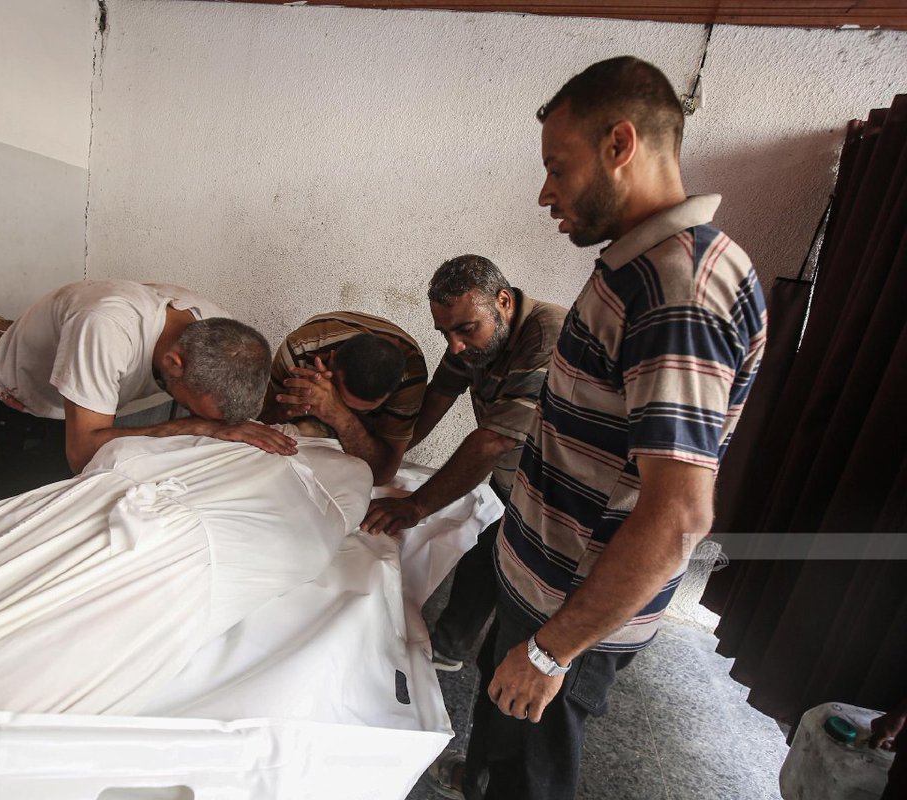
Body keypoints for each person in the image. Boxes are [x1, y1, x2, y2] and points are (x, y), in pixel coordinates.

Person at [428, 57, 768, 800]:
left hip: (572, 607)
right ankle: (481, 775)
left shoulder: (679, 293)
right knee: (501, 718)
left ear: (621, 144)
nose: (545, 191)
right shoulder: (638, 264)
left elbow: (678, 513)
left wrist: (553, 654)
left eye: (558, 165)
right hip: (539, 574)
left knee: (538, 761)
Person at [359, 256, 565, 674]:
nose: (454, 345)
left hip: (561, 499)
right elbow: (438, 395)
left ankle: (521, 667)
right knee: (487, 554)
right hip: (519, 483)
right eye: (445, 332)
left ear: (503, 301)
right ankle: (450, 648)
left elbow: (492, 441)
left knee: (528, 597)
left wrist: (415, 507)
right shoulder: (469, 339)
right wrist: (387, 459)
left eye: (465, 329)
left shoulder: (548, 337)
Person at [0, 279, 295, 500]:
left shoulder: (221, 333)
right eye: (195, 410)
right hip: (19, 405)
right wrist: (195, 426)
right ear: (174, 363)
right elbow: (83, 452)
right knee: (24, 522)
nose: (202, 421)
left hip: (82, 411)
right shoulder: (105, 327)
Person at [261, 311, 427, 485]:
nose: (341, 406)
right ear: (331, 359)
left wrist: (340, 416)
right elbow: (263, 423)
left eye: (361, 410)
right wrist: (291, 405)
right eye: (339, 396)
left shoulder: (409, 377)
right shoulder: (300, 349)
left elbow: (382, 473)